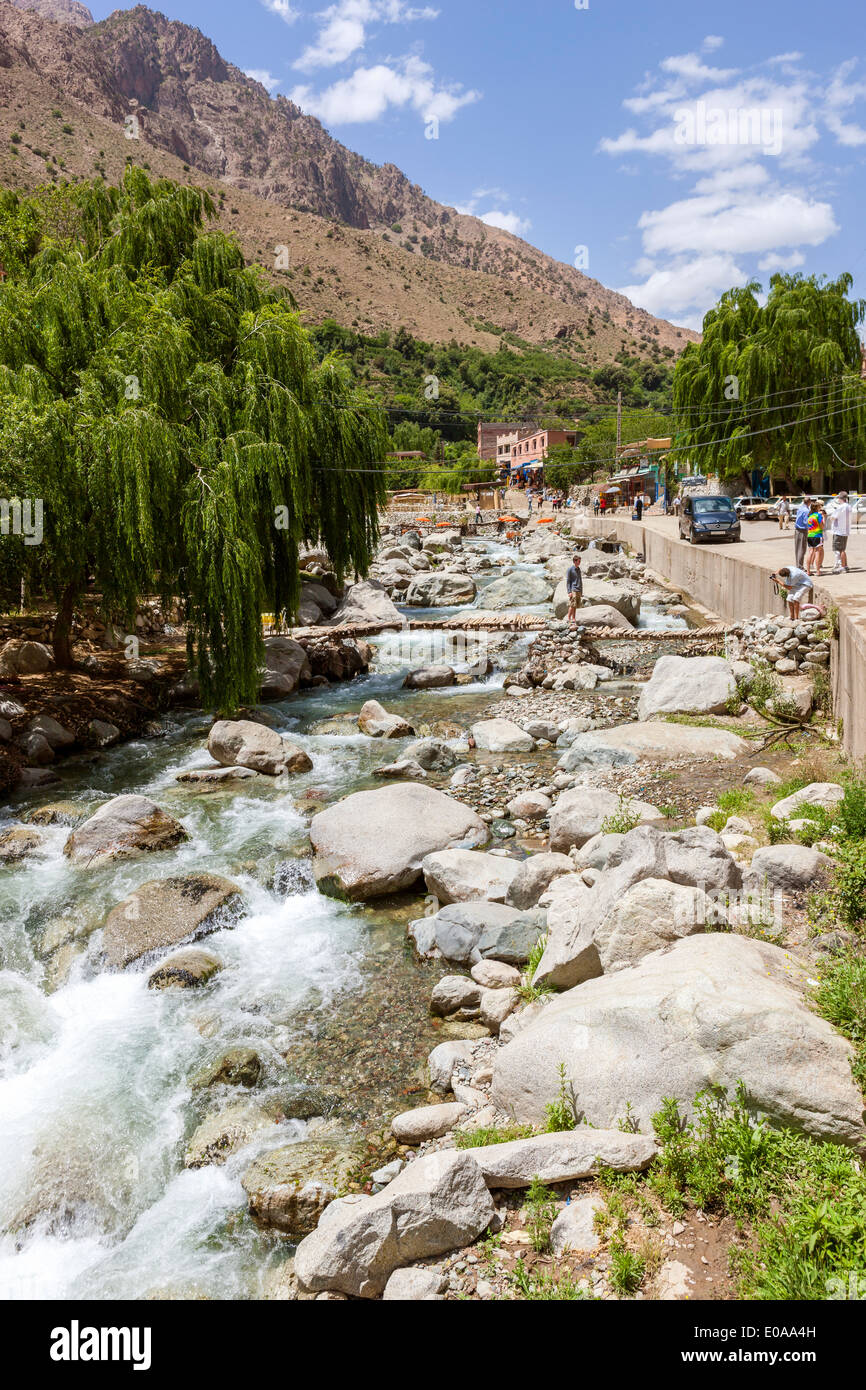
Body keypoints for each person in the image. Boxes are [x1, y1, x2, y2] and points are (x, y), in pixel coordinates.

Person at [830, 490, 851, 573]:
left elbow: (833, 517)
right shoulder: (849, 506)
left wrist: (831, 517)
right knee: (842, 549)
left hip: (839, 530)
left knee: (839, 549)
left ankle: (842, 566)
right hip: (845, 530)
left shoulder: (841, 507)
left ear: (840, 498)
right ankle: (845, 565)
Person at [805, 500, 825, 576]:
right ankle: (818, 571)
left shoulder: (810, 516)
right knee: (817, 552)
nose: (820, 508)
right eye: (819, 507)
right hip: (817, 535)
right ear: (816, 508)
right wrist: (823, 518)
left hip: (810, 535)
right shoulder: (818, 515)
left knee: (810, 552)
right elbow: (822, 526)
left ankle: (808, 571)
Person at [793, 496, 811, 568]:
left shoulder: (800, 508)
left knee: (797, 548)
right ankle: (800, 566)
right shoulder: (806, 511)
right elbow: (806, 522)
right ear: (809, 502)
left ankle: (798, 565)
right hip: (802, 531)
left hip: (797, 530)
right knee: (802, 549)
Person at [566, 553, 583, 625]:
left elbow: (580, 580)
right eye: (578, 561)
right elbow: (568, 581)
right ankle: (568, 618)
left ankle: (573, 618)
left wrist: (581, 591)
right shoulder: (570, 569)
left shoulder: (578, 569)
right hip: (573, 589)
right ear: (575, 561)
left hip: (578, 589)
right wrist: (569, 591)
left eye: (580, 561)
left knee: (575, 605)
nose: (579, 562)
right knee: (572, 604)